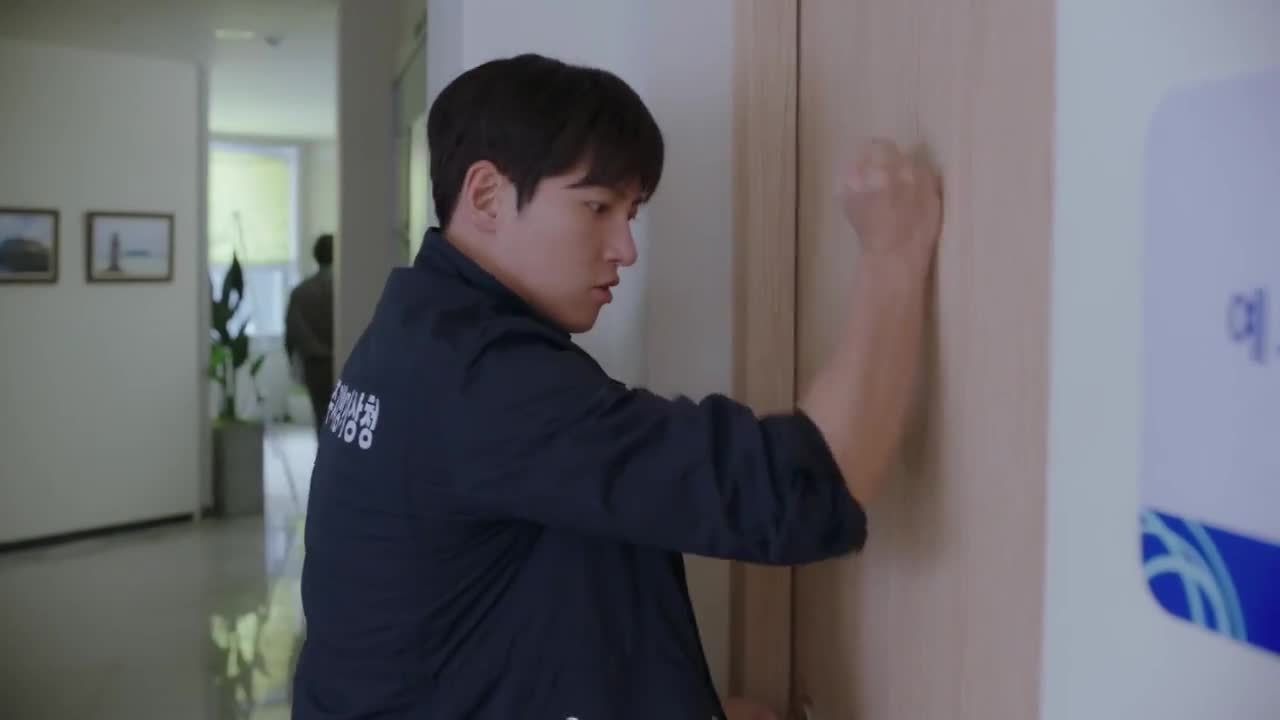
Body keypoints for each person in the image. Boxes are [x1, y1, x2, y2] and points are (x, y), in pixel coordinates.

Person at [292, 54, 941, 720]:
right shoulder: (484, 377)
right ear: (486, 196)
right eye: (598, 207)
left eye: (629, 214)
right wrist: (893, 253)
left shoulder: (417, 333)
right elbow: (793, 490)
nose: (626, 249)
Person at [285, 234, 335, 433]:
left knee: (321, 416)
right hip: (346, 360)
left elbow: (292, 331)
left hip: (315, 365)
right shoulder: (347, 289)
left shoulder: (300, 292)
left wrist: (292, 360)